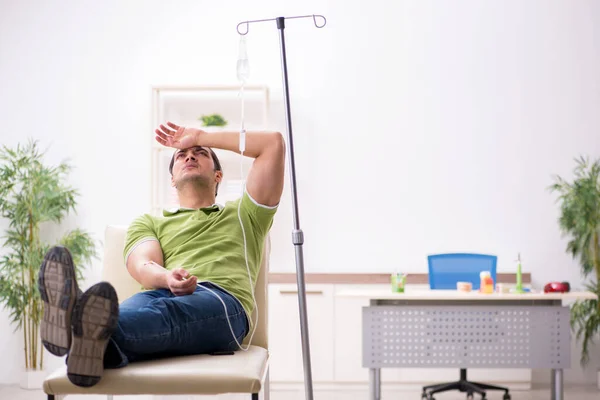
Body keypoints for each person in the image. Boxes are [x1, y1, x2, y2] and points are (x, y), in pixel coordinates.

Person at [38, 121, 285, 387]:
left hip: (221, 301)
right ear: (173, 179)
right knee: (125, 313)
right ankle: (92, 347)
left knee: (164, 312)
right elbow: (143, 264)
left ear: (218, 176)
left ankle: (76, 324)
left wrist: (201, 136)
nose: (189, 155)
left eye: (200, 153)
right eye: (181, 155)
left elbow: (273, 144)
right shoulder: (149, 222)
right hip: (154, 293)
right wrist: (167, 277)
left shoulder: (245, 214)